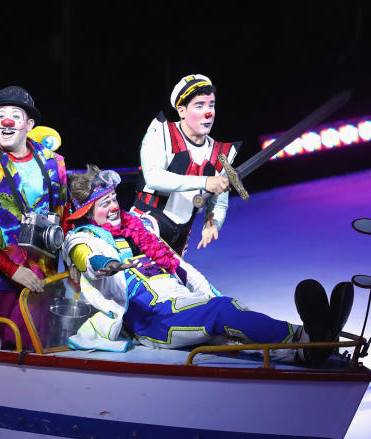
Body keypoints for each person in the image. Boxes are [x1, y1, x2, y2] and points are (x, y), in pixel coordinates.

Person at [63, 166, 353, 366]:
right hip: (154, 319)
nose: (114, 206)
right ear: (87, 213)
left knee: (229, 318)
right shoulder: (82, 237)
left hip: (181, 301)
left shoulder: (140, 228)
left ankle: (311, 345)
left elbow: (184, 269)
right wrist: (104, 264)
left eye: (114, 198)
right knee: (223, 312)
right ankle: (305, 339)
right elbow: (84, 257)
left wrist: (210, 296)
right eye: (104, 204)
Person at [0, 85, 69, 350]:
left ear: (29, 124)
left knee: (25, 365)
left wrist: (69, 258)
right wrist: (11, 269)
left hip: (36, 281)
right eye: (0, 116)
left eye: (15, 115)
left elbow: (63, 215)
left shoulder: (54, 163)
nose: (7, 121)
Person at [129, 74, 237, 255]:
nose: (208, 113)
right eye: (199, 106)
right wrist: (204, 182)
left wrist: (213, 222)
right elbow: (154, 177)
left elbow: (218, 202)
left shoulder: (220, 154)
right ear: (181, 111)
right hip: (145, 227)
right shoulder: (160, 134)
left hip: (179, 240)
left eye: (211, 105)